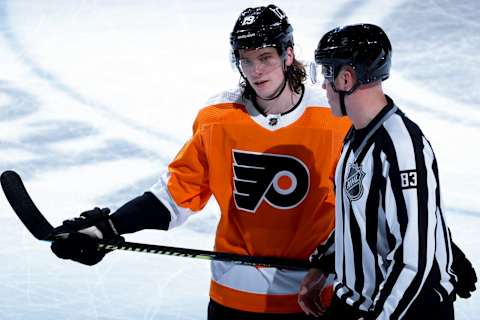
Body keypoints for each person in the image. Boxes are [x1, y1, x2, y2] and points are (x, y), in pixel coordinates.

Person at [49, 4, 351, 319]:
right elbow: (176, 195)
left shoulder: (332, 118)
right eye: (246, 60)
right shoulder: (218, 118)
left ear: (288, 55)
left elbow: (363, 208)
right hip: (232, 296)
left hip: (311, 297)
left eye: (265, 58)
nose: (255, 71)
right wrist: (108, 227)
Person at [298, 23, 477, 320]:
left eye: (326, 74)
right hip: (358, 304)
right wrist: (323, 264)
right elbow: (358, 216)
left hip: (398, 310)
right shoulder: (358, 135)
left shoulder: (400, 147)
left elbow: (413, 264)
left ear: (346, 78)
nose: (323, 86)